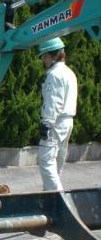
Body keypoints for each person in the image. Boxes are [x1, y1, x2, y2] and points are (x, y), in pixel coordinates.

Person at [37, 37, 77, 191]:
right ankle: (50, 198)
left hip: (56, 123)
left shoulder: (54, 75)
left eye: (45, 56)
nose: (43, 60)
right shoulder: (69, 73)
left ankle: (59, 200)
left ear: (54, 56)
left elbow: (54, 102)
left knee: (46, 161)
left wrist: (46, 124)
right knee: (57, 164)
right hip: (67, 123)